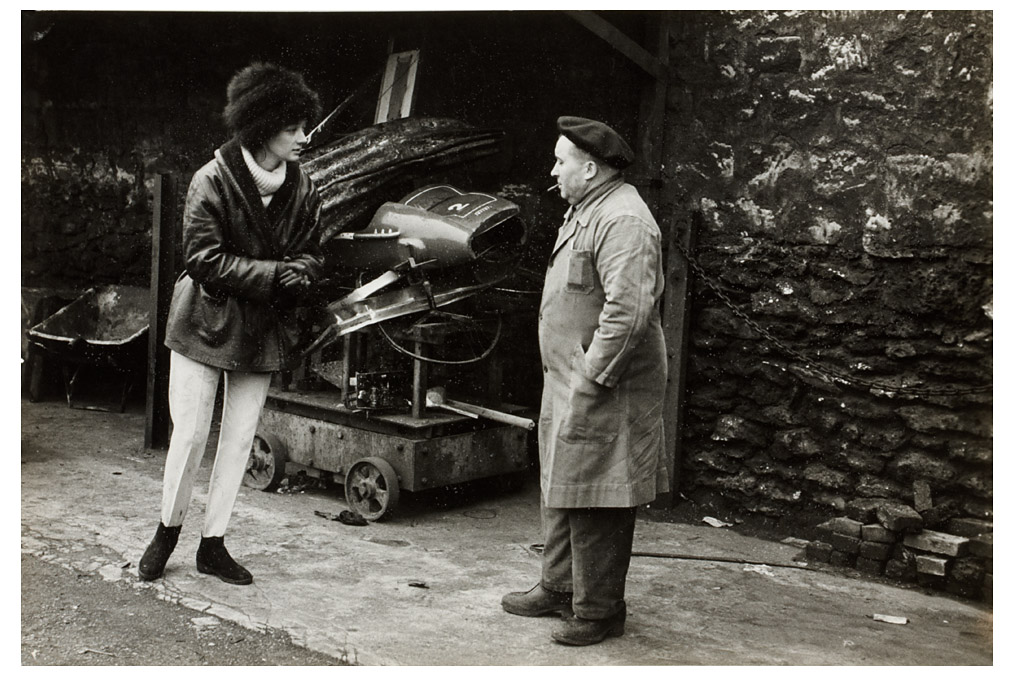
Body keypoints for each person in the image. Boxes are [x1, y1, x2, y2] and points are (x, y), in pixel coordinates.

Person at [138, 62, 324, 585]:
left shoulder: (304, 187)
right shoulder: (212, 179)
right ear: (263, 128)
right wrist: (277, 274)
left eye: (304, 127)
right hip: (204, 319)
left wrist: (304, 272)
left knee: (240, 439)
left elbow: (313, 252)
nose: (304, 139)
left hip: (261, 326)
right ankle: (166, 532)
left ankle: (213, 544)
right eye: (293, 129)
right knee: (191, 435)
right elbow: (203, 259)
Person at [501, 116, 669, 645]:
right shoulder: (586, 209)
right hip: (569, 378)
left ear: (590, 169)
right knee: (563, 482)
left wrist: (594, 377)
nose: (553, 172)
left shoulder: (624, 220)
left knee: (599, 493)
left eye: (561, 162)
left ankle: (599, 610)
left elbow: (628, 312)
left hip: (606, 384)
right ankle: (559, 587)